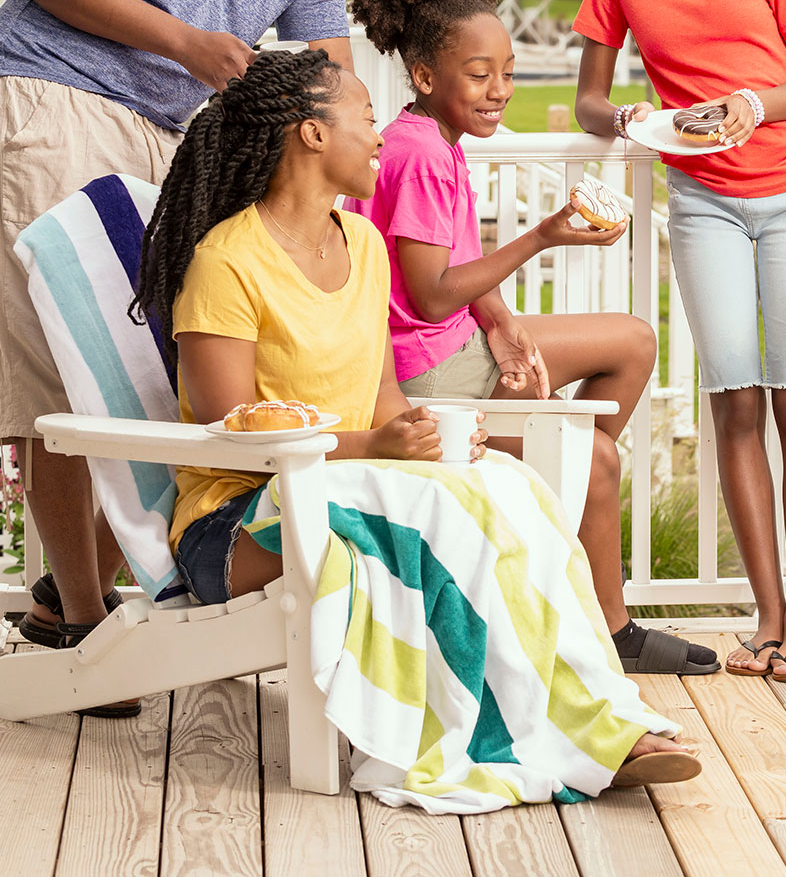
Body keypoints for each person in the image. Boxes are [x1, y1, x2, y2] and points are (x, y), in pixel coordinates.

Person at [132, 47, 701, 810]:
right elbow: (240, 433)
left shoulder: (361, 245)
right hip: (238, 528)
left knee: (509, 489)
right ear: (309, 134)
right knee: (440, 508)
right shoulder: (226, 264)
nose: (378, 136)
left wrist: (432, 434)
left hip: (343, 485)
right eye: (366, 118)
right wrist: (380, 448)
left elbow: (382, 392)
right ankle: (523, 737)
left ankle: (600, 719)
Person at [1, 0, 353, 669]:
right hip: (54, 99)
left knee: (153, 379)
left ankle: (65, 592)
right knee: (61, 372)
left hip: (171, 151)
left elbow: (335, 84)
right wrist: (184, 42)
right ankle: (82, 618)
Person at [348, 0, 720, 677]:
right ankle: (602, 608)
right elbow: (425, 293)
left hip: (459, 345)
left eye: (508, 74)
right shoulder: (420, 155)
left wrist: (507, 326)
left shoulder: (434, 139)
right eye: (478, 75)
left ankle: (544, 496)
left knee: (633, 342)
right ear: (423, 75)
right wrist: (544, 236)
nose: (500, 92)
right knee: (600, 459)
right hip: (426, 375)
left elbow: (448, 272)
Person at [573, 0, 786, 682]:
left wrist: (756, 103)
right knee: (734, 398)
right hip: (704, 204)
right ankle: (766, 616)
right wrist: (626, 119)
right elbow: (588, 99)